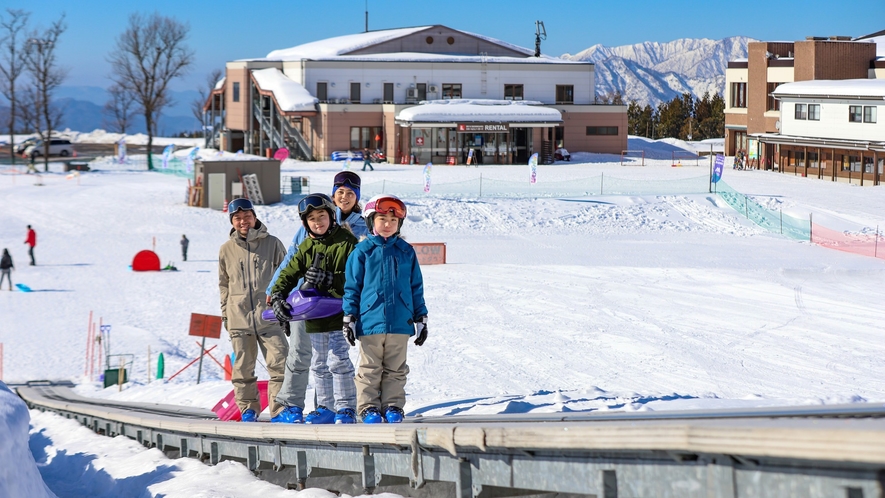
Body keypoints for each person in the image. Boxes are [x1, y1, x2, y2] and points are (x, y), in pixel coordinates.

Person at [265, 171, 368, 423]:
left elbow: (361, 270)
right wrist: (275, 293)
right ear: (333, 196)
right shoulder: (311, 225)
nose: (345, 197)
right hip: (305, 299)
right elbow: (291, 260)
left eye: (350, 193)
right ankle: (296, 405)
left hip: (336, 301)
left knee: (335, 357)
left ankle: (340, 408)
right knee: (303, 354)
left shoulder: (359, 229)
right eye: (340, 192)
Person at [342, 194, 428, 424]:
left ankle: (393, 405)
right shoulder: (362, 252)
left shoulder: (406, 251)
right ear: (371, 222)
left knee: (396, 369)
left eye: (393, 220)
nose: (388, 224)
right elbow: (352, 287)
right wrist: (349, 317)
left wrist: (421, 316)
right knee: (370, 368)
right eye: (382, 219)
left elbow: (415, 286)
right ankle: (368, 407)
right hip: (371, 321)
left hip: (401, 320)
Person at [218, 198, 289, 422]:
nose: (243, 222)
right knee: (242, 369)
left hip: (269, 316)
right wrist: (226, 315)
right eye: (237, 218)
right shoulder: (226, 250)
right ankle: (248, 408)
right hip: (239, 318)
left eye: (247, 216)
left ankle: (280, 409)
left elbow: (287, 276)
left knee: (280, 363)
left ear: (255, 217)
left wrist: (285, 308)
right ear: (232, 221)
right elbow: (223, 285)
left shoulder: (273, 243)